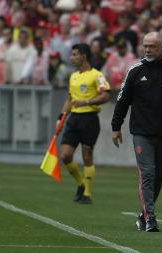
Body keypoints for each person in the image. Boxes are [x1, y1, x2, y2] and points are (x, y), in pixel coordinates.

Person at [111, 32, 162, 232]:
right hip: (141, 131)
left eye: (152, 46)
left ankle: (143, 214)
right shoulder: (135, 71)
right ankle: (151, 218)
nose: (148, 50)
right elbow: (122, 100)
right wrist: (116, 126)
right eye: (145, 46)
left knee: (158, 176)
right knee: (147, 173)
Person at [57, 43, 111, 204]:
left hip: (90, 119)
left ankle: (87, 194)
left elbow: (106, 96)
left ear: (84, 56)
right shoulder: (73, 76)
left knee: (87, 156)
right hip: (73, 119)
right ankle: (81, 183)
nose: (71, 58)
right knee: (65, 156)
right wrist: (60, 118)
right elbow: (69, 99)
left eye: (74, 55)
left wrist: (86, 102)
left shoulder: (97, 75)